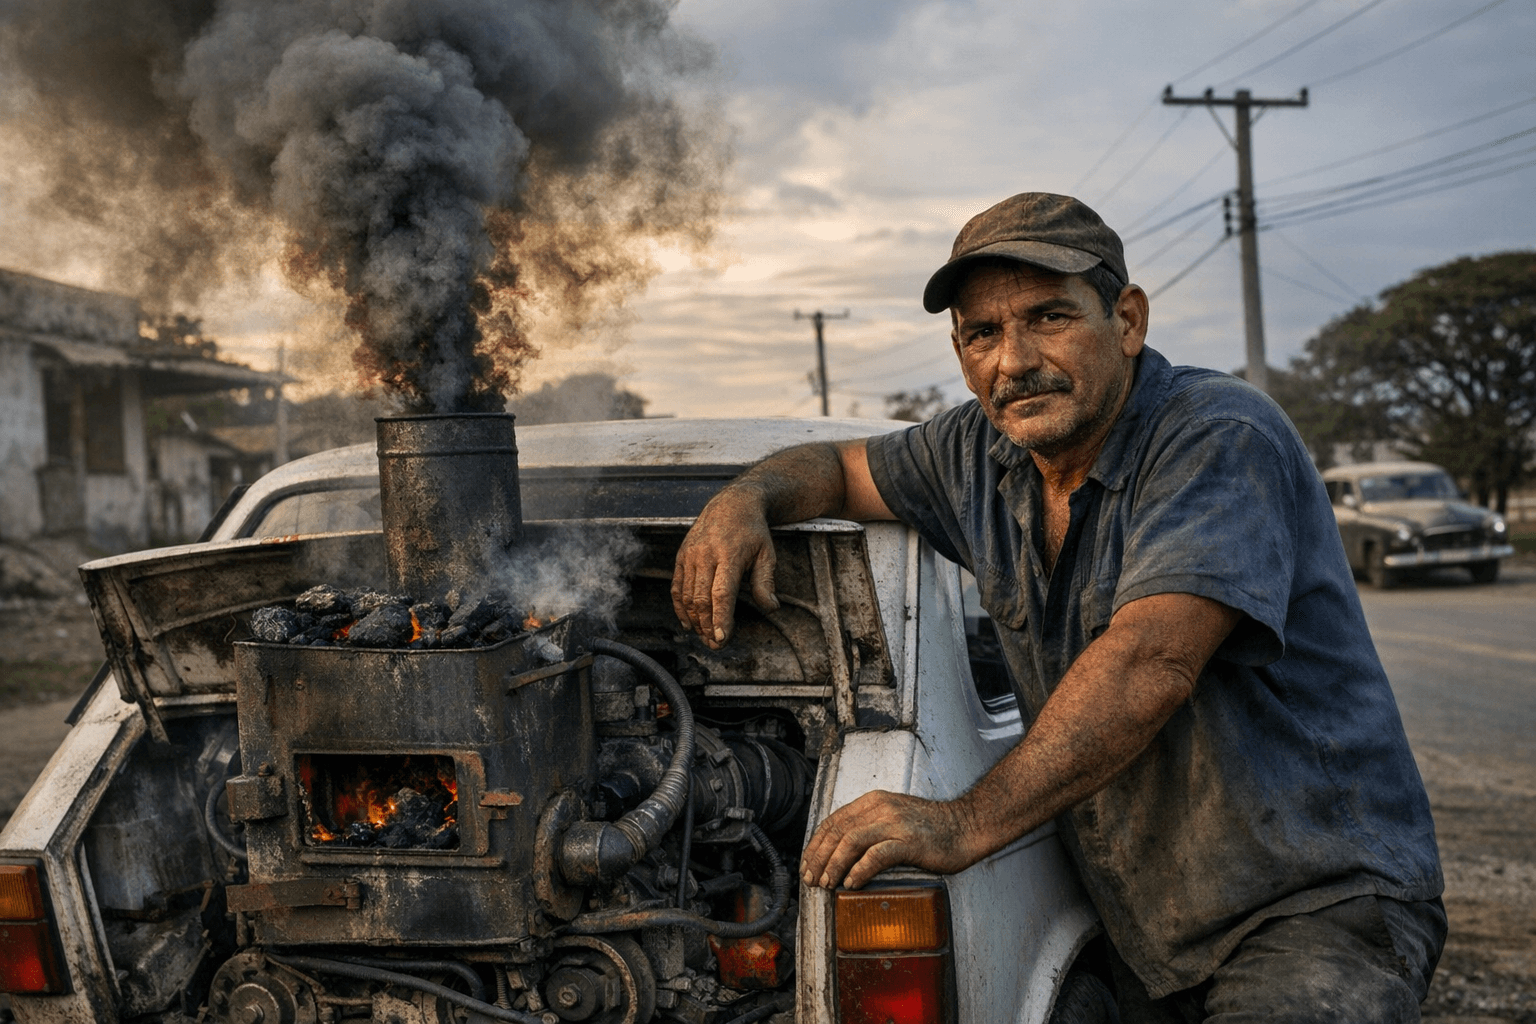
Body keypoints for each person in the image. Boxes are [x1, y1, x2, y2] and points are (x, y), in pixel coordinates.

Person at [670, 193, 1445, 1021]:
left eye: (1048, 317)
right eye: (983, 334)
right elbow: (836, 467)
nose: (1014, 360)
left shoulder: (1218, 435)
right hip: (1154, 936)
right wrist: (746, 500)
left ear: (1128, 320)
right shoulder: (974, 450)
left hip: (1315, 905)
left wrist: (962, 822)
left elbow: (1152, 659)